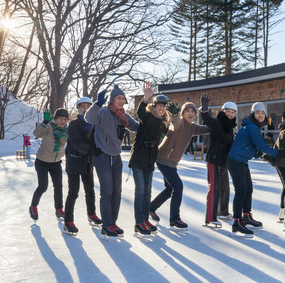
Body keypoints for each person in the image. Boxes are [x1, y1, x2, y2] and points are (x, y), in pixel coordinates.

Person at [84, 85, 140, 238]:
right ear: (112, 99)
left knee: (117, 192)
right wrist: (97, 104)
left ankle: (113, 222)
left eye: (123, 98)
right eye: (118, 98)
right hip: (102, 157)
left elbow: (136, 127)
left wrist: (152, 120)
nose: (121, 101)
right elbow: (89, 118)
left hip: (116, 157)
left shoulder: (123, 115)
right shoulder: (103, 112)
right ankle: (106, 225)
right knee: (107, 191)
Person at [149, 98, 210, 230]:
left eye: (192, 111)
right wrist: (175, 114)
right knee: (178, 187)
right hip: (164, 159)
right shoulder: (179, 122)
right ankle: (174, 219)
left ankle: (151, 207)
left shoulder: (193, 127)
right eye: (187, 111)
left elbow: (207, 128)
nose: (190, 113)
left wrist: (205, 112)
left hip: (172, 163)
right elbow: (175, 123)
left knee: (169, 188)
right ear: (182, 113)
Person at [227, 102, 285, 236]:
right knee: (241, 190)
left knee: (248, 189)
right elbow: (262, 146)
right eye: (257, 113)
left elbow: (254, 145)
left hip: (241, 161)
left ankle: (246, 216)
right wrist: (278, 153)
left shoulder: (251, 126)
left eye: (262, 113)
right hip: (236, 161)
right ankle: (237, 222)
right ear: (253, 114)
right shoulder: (252, 127)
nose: (260, 115)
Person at [129, 82, 171, 236]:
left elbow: (171, 132)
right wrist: (145, 99)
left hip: (150, 160)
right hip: (139, 158)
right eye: (159, 105)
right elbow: (140, 112)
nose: (161, 108)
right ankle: (138, 223)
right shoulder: (147, 117)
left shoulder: (161, 122)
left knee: (147, 192)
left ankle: (145, 219)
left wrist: (175, 116)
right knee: (140, 191)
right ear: (154, 106)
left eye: (163, 106)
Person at [62, 97, 101, 236]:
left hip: (87, 162)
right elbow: (77, 142)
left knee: (90, 190)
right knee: (73, 192)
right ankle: (68, 221)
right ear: (79, 109)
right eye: (82, 106)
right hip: (74, 161)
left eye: (88, 106)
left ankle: (92, 214)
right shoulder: (74, 124)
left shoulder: (95, 125)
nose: (85, 109)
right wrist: (91, 150)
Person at [199, 94, 237, 227]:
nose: (230, 114)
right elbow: (206, 118)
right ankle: (210, 217)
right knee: (214, 188)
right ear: (223, 111)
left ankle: (223, 211)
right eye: (228, 111)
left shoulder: (231, 128)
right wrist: (204, 109)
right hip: (213, 159)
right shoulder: (217, 122)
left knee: (225, 187)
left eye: (232, 112)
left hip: (223, 161)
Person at [29, 108, 69, 221]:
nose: (62, 121)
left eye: (65, 119)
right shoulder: (49, 127)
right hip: (42, 162)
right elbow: (36, 133)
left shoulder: (66, 130)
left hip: (56, 163)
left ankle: (59, 209)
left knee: (58, 186)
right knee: (43, 186)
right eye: (60, 118)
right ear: (55, 119)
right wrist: (44, 122)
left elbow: (66, 142)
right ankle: (33, 206)